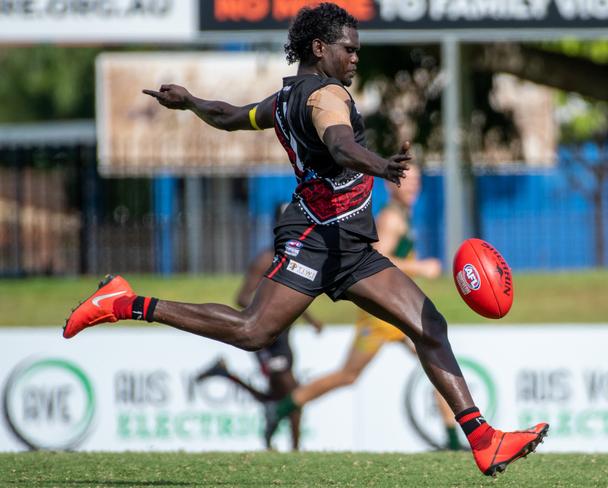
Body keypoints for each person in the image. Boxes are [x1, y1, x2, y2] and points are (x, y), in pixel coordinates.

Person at [63, 3, 548, 476]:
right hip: (316, 236)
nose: (355, 57)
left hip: (350, 246)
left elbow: (231, 116)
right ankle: (124, 302)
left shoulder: (284, 100)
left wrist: (190, 102)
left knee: (429, 326)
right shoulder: (326, 97)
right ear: (320, 48)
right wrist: (382, 165)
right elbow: (339, 143)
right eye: (348, 49)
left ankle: (484, 440)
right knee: (252, 331)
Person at [264, 164, 462, 450]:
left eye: (417, 180)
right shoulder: (391, 219)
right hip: (385, 314)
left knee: (350, 375)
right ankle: (454, 441)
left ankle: (283, 407)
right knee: (434, 355)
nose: (414, 186)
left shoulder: (402, 216)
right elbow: (378, 258)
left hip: (386, 312)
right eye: (408, 181)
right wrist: (421, 266)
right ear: (391, 185)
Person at [196, 203, 323, 451]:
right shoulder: (266, 259)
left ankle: (224, 374)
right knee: (292, 397)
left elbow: (293, 297)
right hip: (269, 339)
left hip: (284, 336)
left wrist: (311, 320)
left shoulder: (295, 256)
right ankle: (295, 452)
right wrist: (267, 311)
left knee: (278, 398)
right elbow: (242, 297)